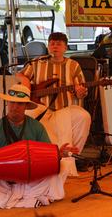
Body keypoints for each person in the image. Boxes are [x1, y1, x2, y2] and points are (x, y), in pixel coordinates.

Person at [0, 84, 79, 209]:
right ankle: (29, 199)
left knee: (63, 167)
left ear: (27, 106)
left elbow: (47, 157)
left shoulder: (37, 127)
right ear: (7, 102)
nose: (15, 107)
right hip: (3, 180)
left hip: (31, 179)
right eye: (12, 102)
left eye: (20, 104)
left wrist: (58, 154)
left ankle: (7, 200)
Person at [16, 32, 91, 176]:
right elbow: (19, 75)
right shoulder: (38, 62)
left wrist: (81, 92)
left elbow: (81, 93)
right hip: (41, 106)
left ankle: (73, 156)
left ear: (65, 48)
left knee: (84, 116)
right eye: (52, 44)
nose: (55, 47)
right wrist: (25, 80)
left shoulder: (73, 65)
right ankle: (34, 158)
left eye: (59, 44)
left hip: (65, 108)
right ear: (48, 46)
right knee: (27, 113)